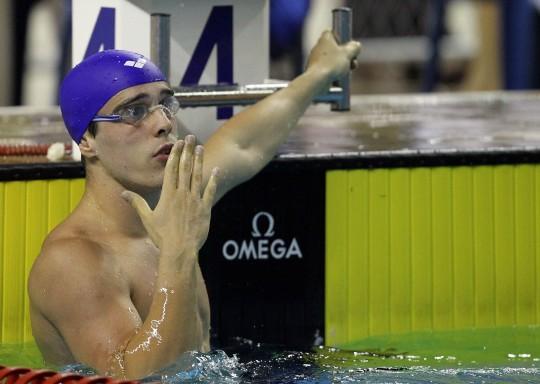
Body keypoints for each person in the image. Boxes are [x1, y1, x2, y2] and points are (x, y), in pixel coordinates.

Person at [28, 31, 360, 379]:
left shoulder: (175, 203)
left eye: (164, 105)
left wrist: (318, 73)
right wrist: (178, 253)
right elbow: (137, 377)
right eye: (134, 111)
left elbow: (243, 144)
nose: (162, 123)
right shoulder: (74, 263)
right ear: (86, 140)